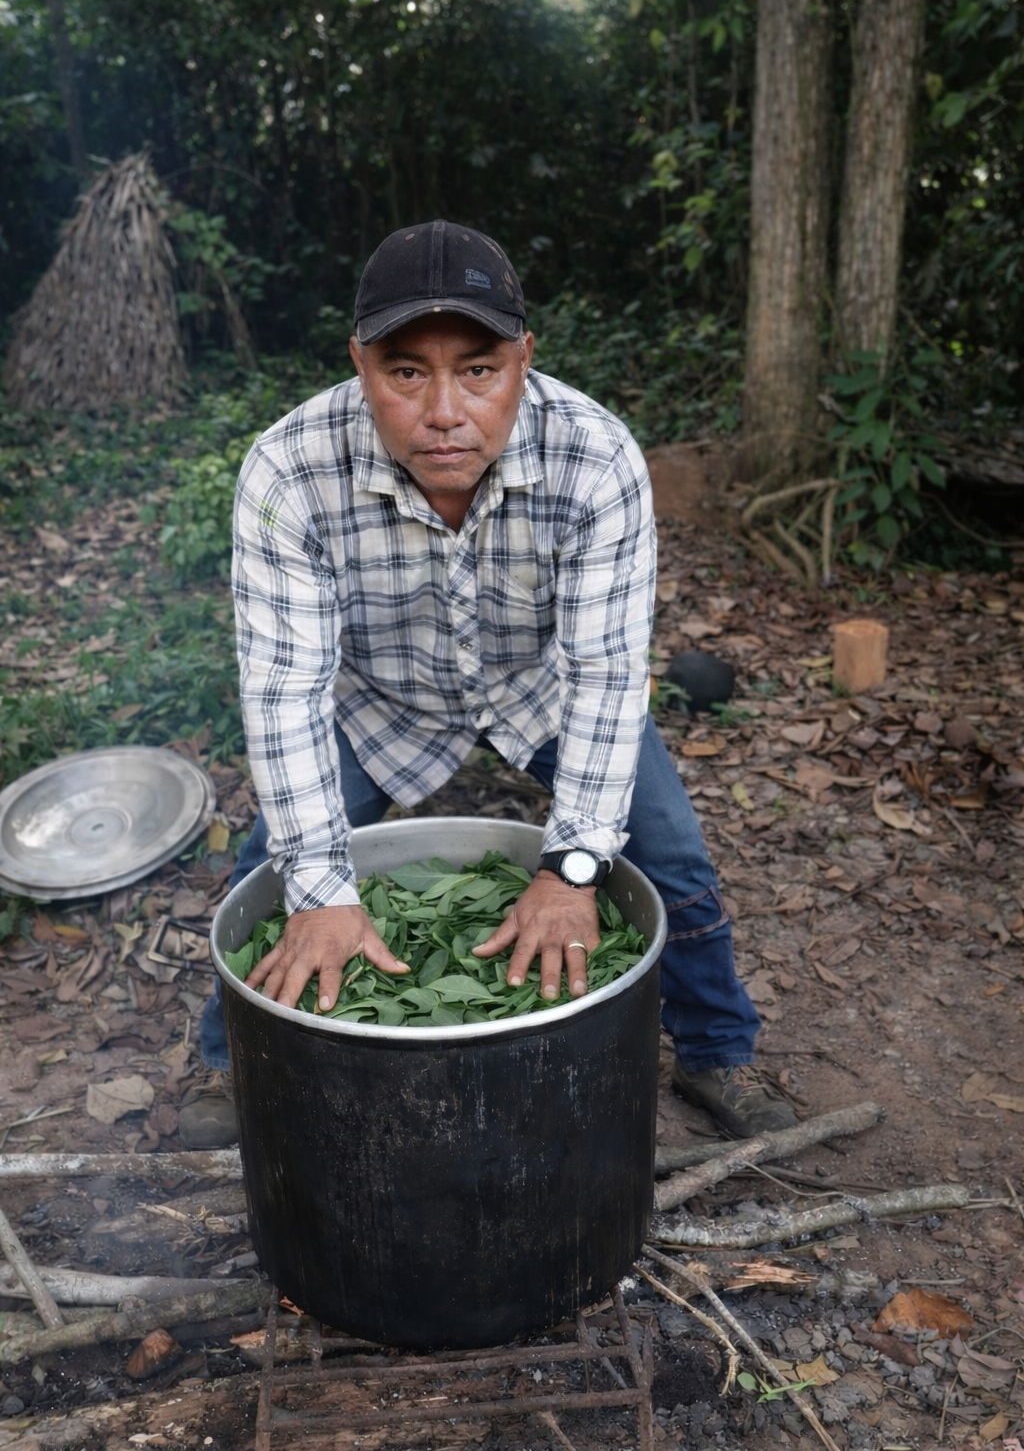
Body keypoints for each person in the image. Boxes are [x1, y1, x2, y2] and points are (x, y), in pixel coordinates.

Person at [181, 220, 796, 1150]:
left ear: (524, 360)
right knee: (272, 864)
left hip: (540, 686)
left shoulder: (595, 457)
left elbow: (603, 674)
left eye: (478, 370)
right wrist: (321, 891)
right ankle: (236, 1064)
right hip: (373, 695)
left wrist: (572, 868)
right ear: (359, 365)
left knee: (673, 863)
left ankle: (717, 1051)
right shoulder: (289, 470)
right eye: (405, 373)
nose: (443, 413)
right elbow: (286, 692)